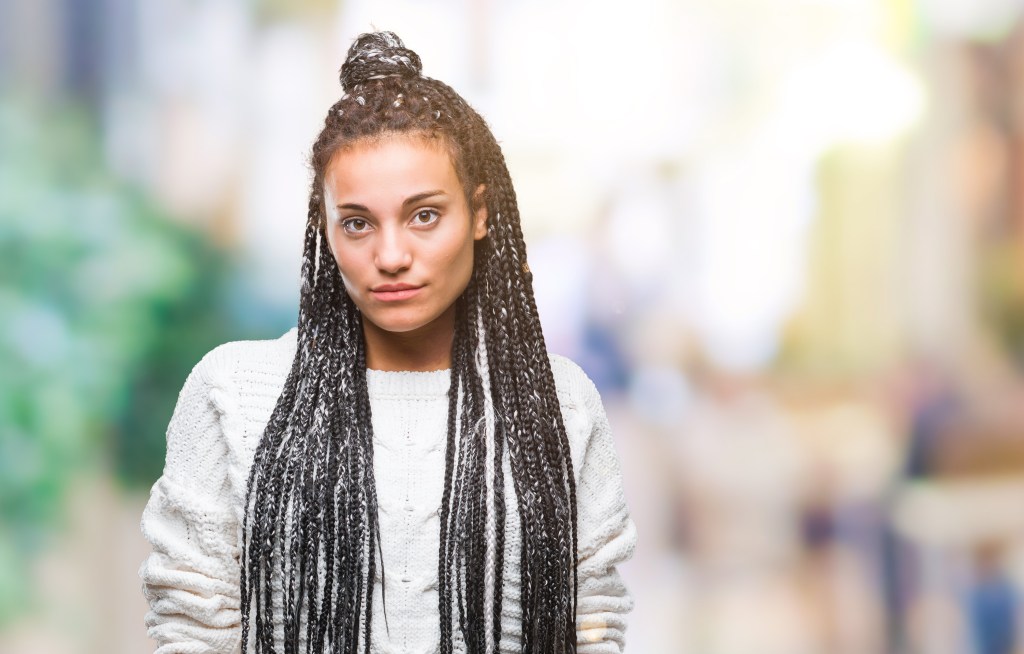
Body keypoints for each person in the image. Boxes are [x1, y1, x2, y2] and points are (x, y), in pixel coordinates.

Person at [138, 31, 637, 654]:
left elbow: (594, 619)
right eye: (357, 223)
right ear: (325, 229)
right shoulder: (233, 393)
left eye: (425, 214)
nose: (392, 256)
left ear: (479, 214)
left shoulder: (559, 402)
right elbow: (190, 624)